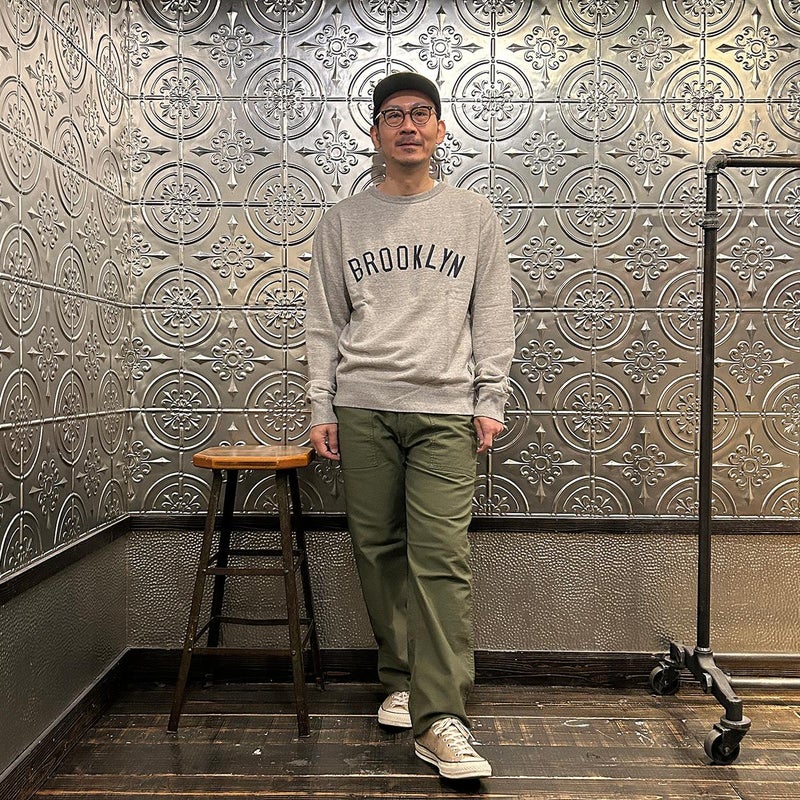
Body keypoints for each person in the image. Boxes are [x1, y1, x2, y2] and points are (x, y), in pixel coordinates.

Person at [305, 71, 514, 780]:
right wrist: (321, 404)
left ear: (441, 129)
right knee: (377, 549)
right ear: (374, 132)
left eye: (421, 113)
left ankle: (442, 716)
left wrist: (491, 397)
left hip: (446, 407)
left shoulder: (473, 215)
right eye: (393, 115)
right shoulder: (343, 220)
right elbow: (324, 321)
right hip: (362, 404)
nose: (408, 125)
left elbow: (492, 312)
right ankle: (399, 677)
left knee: (441, 556)